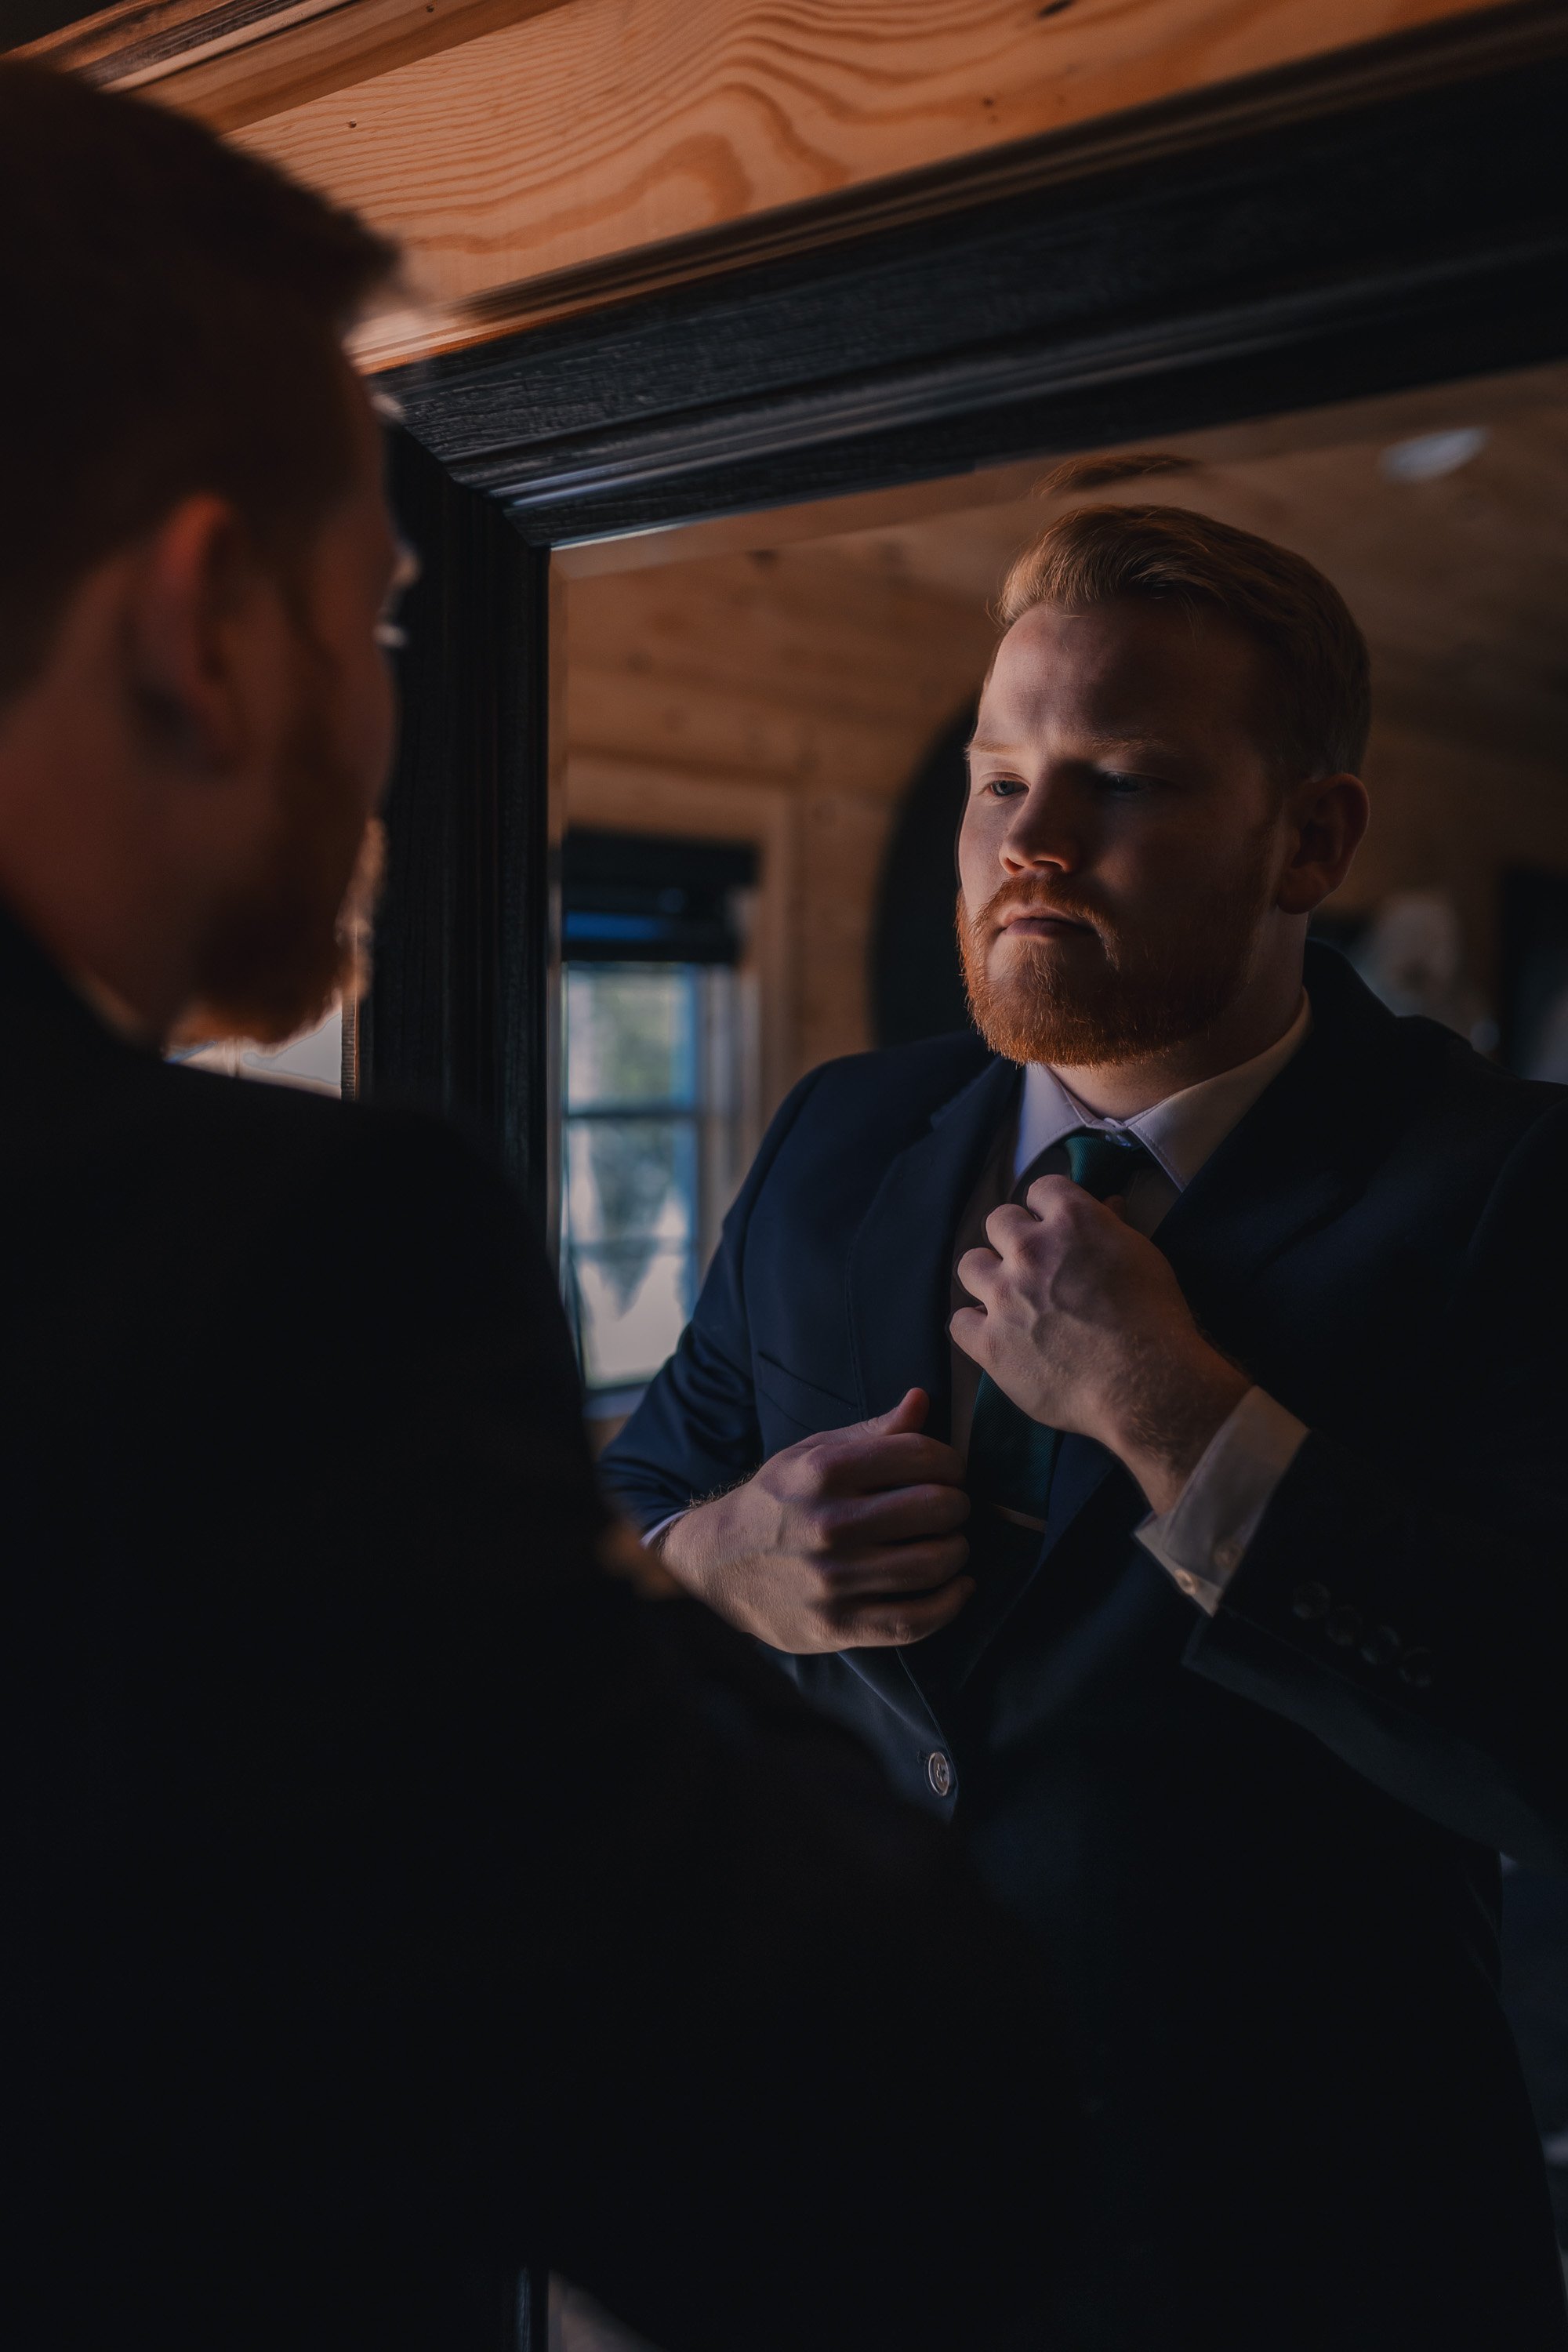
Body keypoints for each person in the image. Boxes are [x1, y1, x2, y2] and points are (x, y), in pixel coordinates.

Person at [0, 61, 1094, 2352]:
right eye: (381, 627)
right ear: (204, 624)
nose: (396, 730)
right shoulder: (266, 1270)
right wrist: (624, 1586)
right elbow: (874, 2131)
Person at [604, 499, 1568, 2348]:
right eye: (994, 779)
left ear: (1313, 836)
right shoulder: (834, 1137)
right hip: (848, 2213)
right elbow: (658, 1472)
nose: (1028, 844)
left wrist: (1175, 1416)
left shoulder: (1511, 1195)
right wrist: (722, 1560)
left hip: (1306, 2250)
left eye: (1119, 780)